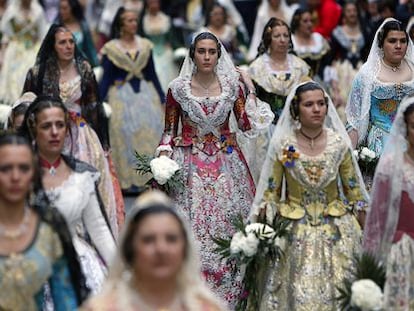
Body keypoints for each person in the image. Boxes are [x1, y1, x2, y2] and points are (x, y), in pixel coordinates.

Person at [156, 31, 272, 307]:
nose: (206, 56)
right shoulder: (177, 89)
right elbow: (168, 132)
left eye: (211, 51)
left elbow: (246, 126)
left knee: (230, 225)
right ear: (193, 55)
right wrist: (162, 158)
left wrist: (249, 87)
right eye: (201, 51)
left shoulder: (232, 88)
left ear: (219, 55)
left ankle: (232, 293)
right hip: (189, 164)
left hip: (228, 164)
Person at [252, 81, 368, 310]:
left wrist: (371, 238)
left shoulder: (338, 145)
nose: (316, 109)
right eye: (309, 104)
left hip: (337, 228)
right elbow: (271, 194)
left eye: (321, 104)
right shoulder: (284, 145)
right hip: (293, 229)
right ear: (296, 109)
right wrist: (257, 234)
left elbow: (355, 194)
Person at [23, 24, 124, 235]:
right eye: (62, 42)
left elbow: (93, 106)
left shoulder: (84, 69)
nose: (68, 46)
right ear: (53, 46)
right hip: (49, 132)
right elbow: (27, 105)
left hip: (80, 134)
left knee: (86, 182)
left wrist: (103, 144)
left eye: (71, 42)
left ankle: (90, 232)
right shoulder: (38, 72)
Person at [19, 96, 116, 294]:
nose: (54, 132)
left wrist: (122, 273)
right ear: (33, 130)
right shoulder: (17, 174)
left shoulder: (82, 175)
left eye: (60, 125)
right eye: (46, 126)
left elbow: (99, 229)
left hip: (77, 260)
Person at [80, 190, 226, 311]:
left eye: (171, 239)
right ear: (131, 247)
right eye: (148, 240)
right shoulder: (102, 308)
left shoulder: (206, 307)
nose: (161, 249)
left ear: (185, 248)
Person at [0, 133, 88, 310]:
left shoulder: (48, 228)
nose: (15, 177)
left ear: (34, 174)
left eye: (24, 168)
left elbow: (65, 299)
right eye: (5, 168)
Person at [99, 7, 165, 192]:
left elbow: (152, 73)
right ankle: (128, 181)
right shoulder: (112, 49)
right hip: (120, 93)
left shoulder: (145, 45)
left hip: (145, 92)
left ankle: (151, 178)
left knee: (150, 129)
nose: (134, 24)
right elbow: (106, 78)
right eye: (129, 21)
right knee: (123, 131)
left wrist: (161, 97)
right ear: (121, 25)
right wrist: (98, 100)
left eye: (135, 20)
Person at [363, 96, 414, 310]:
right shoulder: (391, 167)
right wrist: (370, 270)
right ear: (405, 129)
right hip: (403, 254)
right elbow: (376, 220)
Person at [346, 18, 414, 159]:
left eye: (403, 41)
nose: (398, 45)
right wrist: (351, 157)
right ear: (381, 44)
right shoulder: (367, 74)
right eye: (392, 41)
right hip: (380, 144)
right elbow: (354, 119)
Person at [249, 18, 310, 125]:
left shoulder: (300, 66)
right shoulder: (257, 68)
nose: (282, 40)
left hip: (296, 125)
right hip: (267, 126)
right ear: (269, 39)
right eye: (277, 36)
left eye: (286, 36)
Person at [0, 0, 47, 106]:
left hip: (32, 50)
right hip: (15, 50)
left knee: (29, 76)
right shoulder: (12, 10)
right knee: (12, 80)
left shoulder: (37, 11)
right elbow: (6, 35)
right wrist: (2, 55)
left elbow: (42, 35)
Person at [140, 0, 178, 91]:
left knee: (167, 72)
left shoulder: (165, 19)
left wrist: (172, 45)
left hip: (165, 50)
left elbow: (172, 38)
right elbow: (141, 38)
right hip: (150, 51)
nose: (154, 5)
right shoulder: (143, 20)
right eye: (151, 3)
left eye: (155, 2)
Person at [55, 0, 99, 67]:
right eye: (60, 8)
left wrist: (95, 64)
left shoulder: (83, 25)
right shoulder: (56, 26)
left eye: (64, 8)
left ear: (73, 8)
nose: (61, 11)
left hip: (81, 64)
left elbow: (89, 48)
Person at [290, 8, 330, 79]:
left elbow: (327, 63)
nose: (310, 24)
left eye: (311, 21)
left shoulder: (318, 38)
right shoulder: (292, 41)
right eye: (305, 21)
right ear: (297, 23)